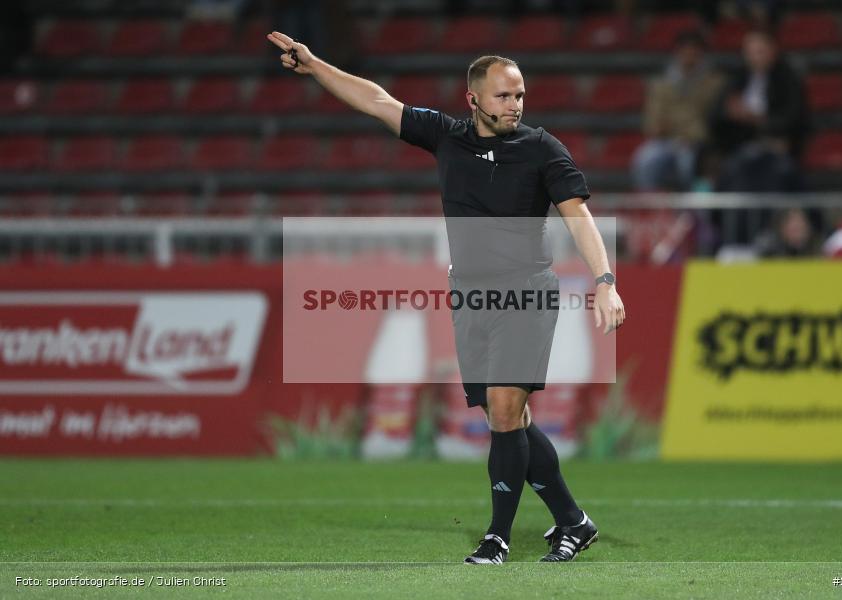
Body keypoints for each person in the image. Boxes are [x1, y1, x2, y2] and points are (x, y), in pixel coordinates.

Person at [266, 32, 625, 564]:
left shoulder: (542, 149)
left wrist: (604, 281)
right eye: (504, 95)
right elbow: (377, 101)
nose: (515, 104)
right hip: (471, 298)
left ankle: (497, 538)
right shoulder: (447, 136)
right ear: (473, 98)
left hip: (526, 294)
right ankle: (573, 520)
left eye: (520, 95)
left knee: (505, 411)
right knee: (511, 421)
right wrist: (317, 65)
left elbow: (578, 215)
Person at [711, 27, 810, 193]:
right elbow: (716, 115)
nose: (754, 57)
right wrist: (730, 114)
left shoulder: (788, 79)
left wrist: (758, 120)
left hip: (779, 148)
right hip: (739, 147)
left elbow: (795, 118)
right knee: (731, 172)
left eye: (760, 51)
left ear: (773, 51)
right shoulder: (737, 78)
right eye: (750, 52)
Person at [632, 30, 723, 192]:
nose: (689, 56)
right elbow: (654, 121)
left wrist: (688, 135)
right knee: (645, 158)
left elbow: (710, 119)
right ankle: (648, 203)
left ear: (701, 54)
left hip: (699, 142)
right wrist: (664, 130)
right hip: (666, 141)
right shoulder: (661, 84)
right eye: (685, 51)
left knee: (687, 163)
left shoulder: (714, 84)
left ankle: (692, 206)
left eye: (693, 52)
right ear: (677, 53)